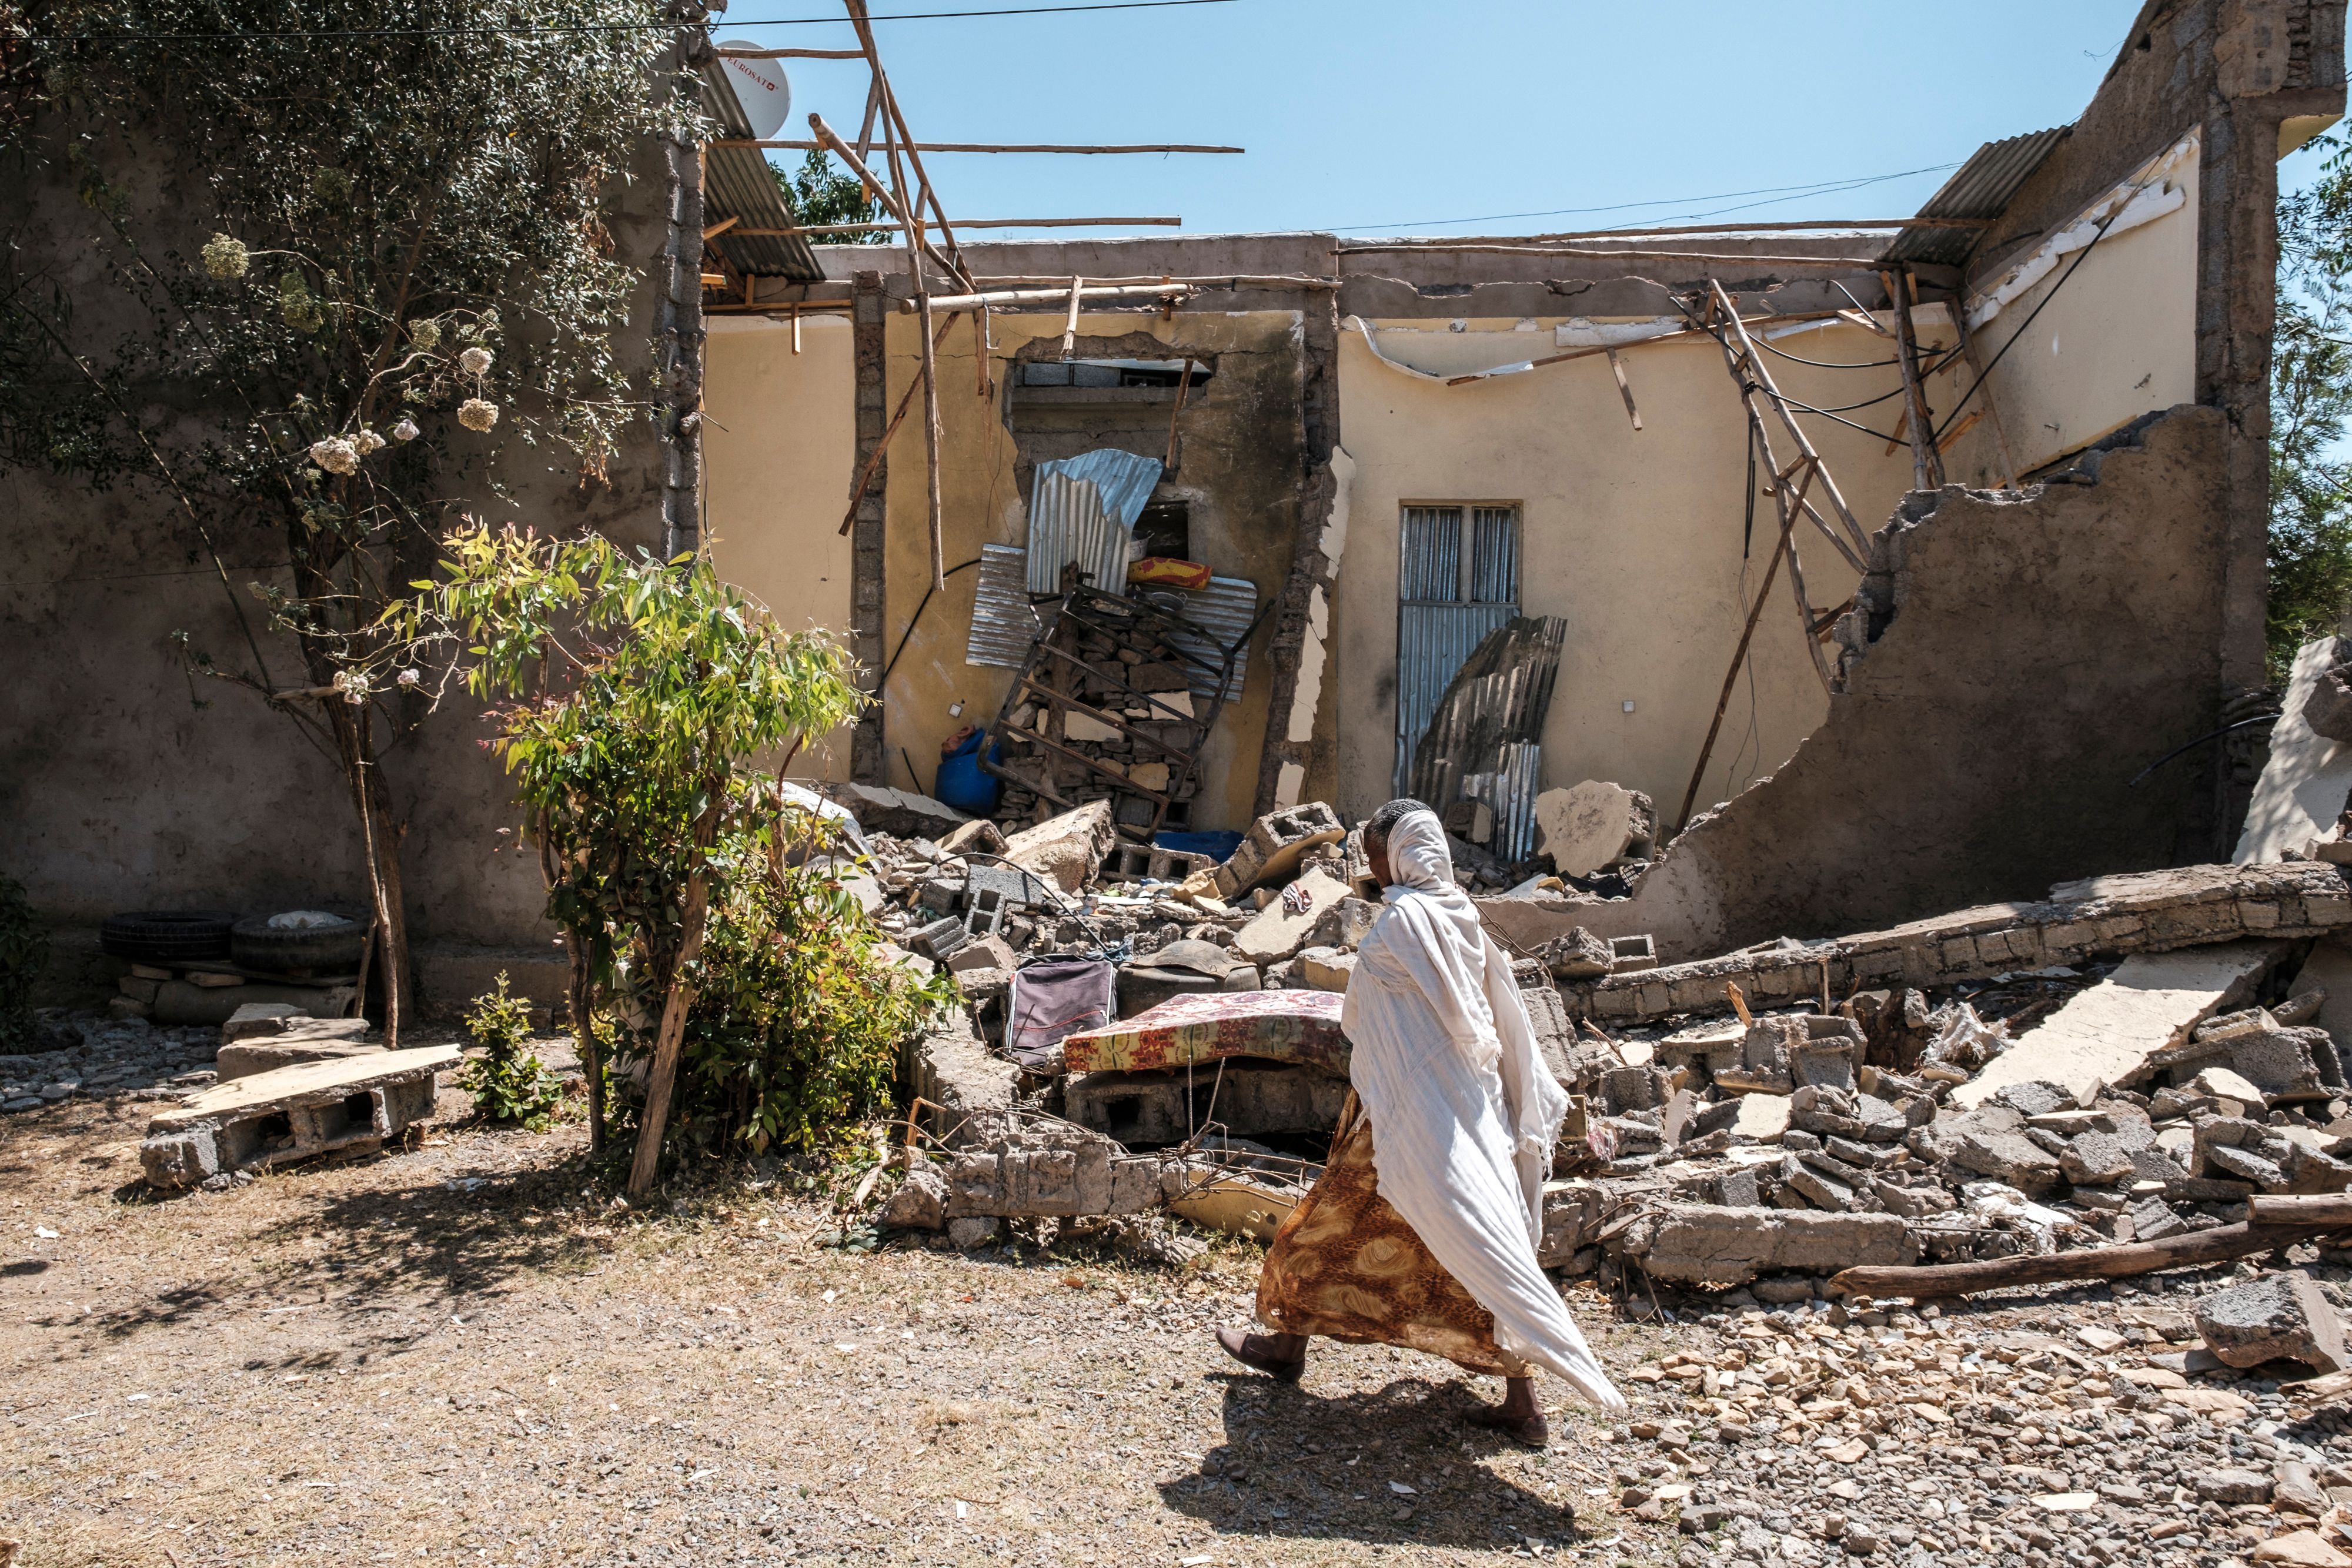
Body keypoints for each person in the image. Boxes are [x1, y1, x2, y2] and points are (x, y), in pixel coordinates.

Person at [1215, 799, 1624, 1446]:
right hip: (1462, 1109)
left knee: (1325, 1231)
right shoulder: (1461, 911)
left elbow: (1365, 1010)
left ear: (1401, 854)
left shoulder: (1404, 918)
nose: (1373, 870)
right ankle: (1521, 1402)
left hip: (1403, 1116)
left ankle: (1285, 1347)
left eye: (1378, 856)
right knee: (1478, 1245)